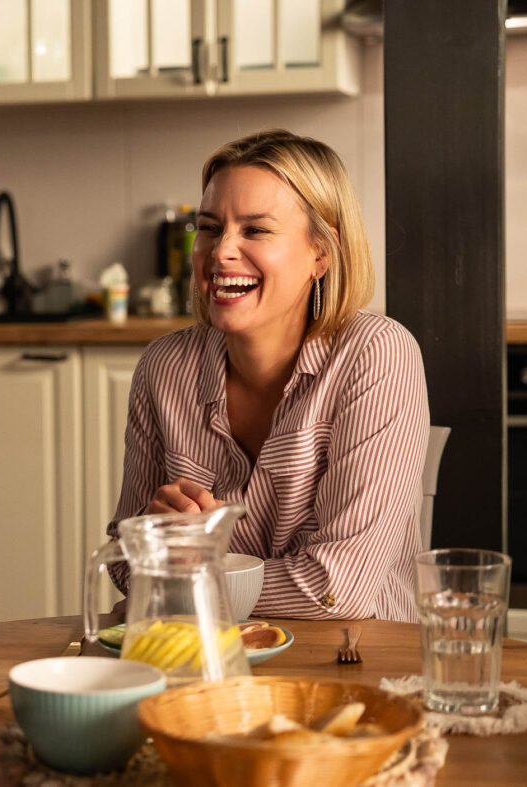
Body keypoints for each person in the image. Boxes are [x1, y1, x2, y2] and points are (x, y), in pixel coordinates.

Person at [107, 129, 429, 623]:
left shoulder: (377, 355)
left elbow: (336, 590)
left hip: (354, 662)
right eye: (210, 228)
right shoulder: (163, 367)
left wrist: (180, 579)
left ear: (321, 253)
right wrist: (152, 541)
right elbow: (126, 568)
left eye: (255, 230)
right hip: (207, 667)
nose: (220, 252)